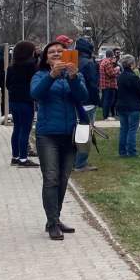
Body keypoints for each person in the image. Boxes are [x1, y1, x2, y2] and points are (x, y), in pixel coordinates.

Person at [30, 41, 88, 240]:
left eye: (60, 51)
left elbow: (83, 96)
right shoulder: (40, 75)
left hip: (70, 134)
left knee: (63, 179)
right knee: (51, 178)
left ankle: (54, 217)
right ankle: (52, 222)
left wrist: (73, 78)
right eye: (52, 52)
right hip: (48, 135)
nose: (56, 54)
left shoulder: (75, 75)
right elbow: (35, 94)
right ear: (46, 58)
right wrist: (52, 76)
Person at [6, 41, 39, 168]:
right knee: (25, 129)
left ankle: (15, 156)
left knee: (17, 128)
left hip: (14, 100)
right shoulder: (31, 66)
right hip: (26, 100)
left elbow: (7, 84)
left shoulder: (11, 67)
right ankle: (23, 159)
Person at [73, 38, 100, 172]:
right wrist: (96, 100)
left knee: (75, 132)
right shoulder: (89, 63)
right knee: (85, 133)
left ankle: (73, 160)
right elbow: (93, 84)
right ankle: (80, 163)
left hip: (75, 101)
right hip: (88, 100)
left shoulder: (73, 61)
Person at [115, 54, 140, 158]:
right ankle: (132, 151)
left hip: (121, 105)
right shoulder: (134, 77)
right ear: (131, 64)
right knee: (132, 130)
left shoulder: (120, 77)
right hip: (133, 106)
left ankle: (122, 151)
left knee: (124, 129)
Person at [98, 49, 119, 120]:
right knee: (108, 101)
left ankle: (106, 115)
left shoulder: (103, 61)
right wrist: (117, 69)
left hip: (104, 85)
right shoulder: (107, 62)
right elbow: (111, 74)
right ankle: (106, 116)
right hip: (109, 85)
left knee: (106, 100)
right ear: (111, 55)